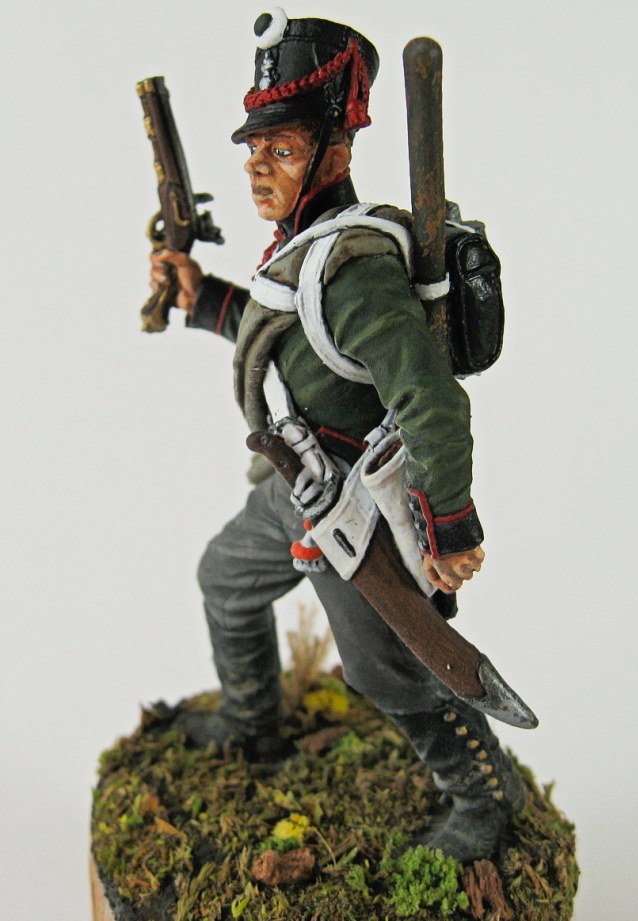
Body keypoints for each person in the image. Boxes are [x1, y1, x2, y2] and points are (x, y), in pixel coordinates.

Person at [149, 11, 524, 864]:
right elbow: (282, 336)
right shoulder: (303, 252)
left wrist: (449, 523)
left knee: (389, 669)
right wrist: (202, 298)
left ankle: (482, 796)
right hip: (295, 486)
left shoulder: (354, 271)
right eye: (256, 149)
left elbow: (431, 402)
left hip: (358, 516)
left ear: (335, 153)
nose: (258, 168)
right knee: (225, 579)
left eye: (281, 150)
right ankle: (253, 724)